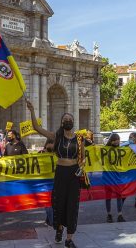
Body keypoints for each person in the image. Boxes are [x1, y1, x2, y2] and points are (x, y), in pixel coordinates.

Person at [27, 100, 84, 248]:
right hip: (60, 173)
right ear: (61, 122)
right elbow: (36, 127)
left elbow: (82, 158)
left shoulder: (79, 139)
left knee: (72, 205)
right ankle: (59, 228)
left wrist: (81, 169)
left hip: (74, 175)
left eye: (70, 120)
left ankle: (69, 238)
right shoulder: (56, 136)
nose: (68, 121)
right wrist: (32, 110)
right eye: (65, 120)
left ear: (73, 122)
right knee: (59, 203)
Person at [104, 133, 126, 223]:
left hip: (117, 175)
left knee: (119, 195)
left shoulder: (121, 150)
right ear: (111, 140)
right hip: (108, 175)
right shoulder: (104, 150)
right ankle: (109, 214)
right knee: (108, 196)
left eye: (118, 140)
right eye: (116, 140)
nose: (117, 141)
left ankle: (120, 215)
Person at [38, 138, 55, 227]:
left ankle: (50, 220)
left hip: (56, 181)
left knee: (53, 203)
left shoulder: (58, 154)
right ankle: (52, 221)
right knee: (48, 203)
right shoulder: (41, 154)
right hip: (45, 183)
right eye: (51, 143)